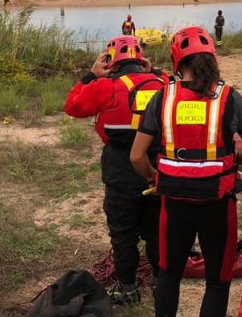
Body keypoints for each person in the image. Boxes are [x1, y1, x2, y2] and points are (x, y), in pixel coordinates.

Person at [130, 26, 242, 317]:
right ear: (212, 60)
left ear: (177, 63)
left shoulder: (162, 98)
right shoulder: (230, 98)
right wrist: (230, 161)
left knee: (169, 274)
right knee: (217, 281)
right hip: (218, 204)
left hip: (174, 204)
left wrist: (155, 177)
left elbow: (136, 156)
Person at [64, 35, 168, 306]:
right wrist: (153, 70)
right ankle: (160, 283)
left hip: (119, 171)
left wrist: (90, 75)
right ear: (141, 59)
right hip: (156, 168)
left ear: (111, 61)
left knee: (123, 234)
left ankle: (129, 288)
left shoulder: (106, 87)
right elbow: (171, 81)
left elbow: (72, 106)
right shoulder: (162, 84)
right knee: (157, 230)